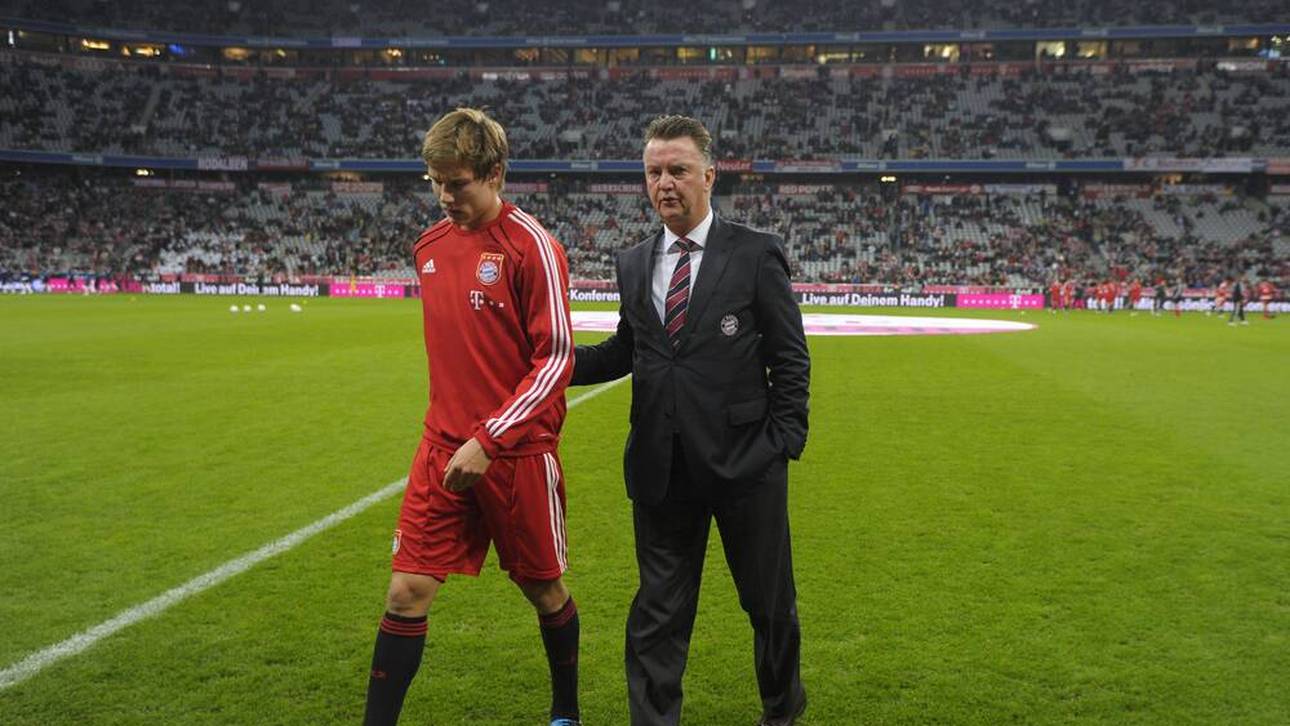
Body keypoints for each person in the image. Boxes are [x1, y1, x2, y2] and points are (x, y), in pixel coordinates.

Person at [571, 115, 811, 726]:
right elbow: (626, 350)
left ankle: (782, 711)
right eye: (653, 172)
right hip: (661, 468)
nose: (664, 183)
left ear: (709, 175)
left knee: (768, 606)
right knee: (658, 613)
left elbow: (790, 358)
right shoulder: (632, 262)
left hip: (745, 466)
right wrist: (550, 364)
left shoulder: (755, 253)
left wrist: (781, 442)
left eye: (677, 170)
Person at [363, 108, 581, 726]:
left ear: (494, 173)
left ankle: (565, 710)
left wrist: (490, 437)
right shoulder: (428, 247)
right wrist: (460, 434)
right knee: (406, 593)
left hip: (514, 453)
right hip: (440, 450)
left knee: (542, 589)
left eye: (456, 183)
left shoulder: (533, 248)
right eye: (434, 181)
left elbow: (556, 358)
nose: (443, 195)